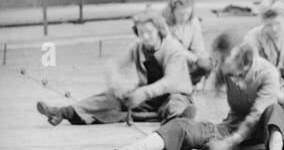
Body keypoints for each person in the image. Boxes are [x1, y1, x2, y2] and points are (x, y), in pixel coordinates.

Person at [99, 33, 284, 150]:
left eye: (225, 60)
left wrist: (227, 144)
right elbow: (198, 77)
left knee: (274, 109)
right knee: (182, 125)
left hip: (259, 136)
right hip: (230, 130)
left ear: (243, 60)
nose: (220, 64)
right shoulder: (226, 66)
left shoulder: (267, 73)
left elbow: (254, 116)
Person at [37, 11, 194, 126]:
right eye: (141, 33)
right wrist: (117, 84)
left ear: (159, 31)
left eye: (149, 32)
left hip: (175, 94)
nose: (145, 37)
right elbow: (112, 64)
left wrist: (143, 92)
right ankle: (62, 113)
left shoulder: (173, 49)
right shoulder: (138, 47)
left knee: (175, 104)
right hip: (149, 99)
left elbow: (171, 82)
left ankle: (179, 124)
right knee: (111, 97)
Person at [164, 0, 210, 85]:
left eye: (188, 13)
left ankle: (190, 83)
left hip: (187, 59)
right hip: (169, 59)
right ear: (172, 12)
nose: (185, 17)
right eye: (181, 14)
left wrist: (202, 58)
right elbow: (171, 48)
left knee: (206, 64)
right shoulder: (164, 23)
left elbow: (198, 46)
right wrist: (194, 59)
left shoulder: (194, 21)